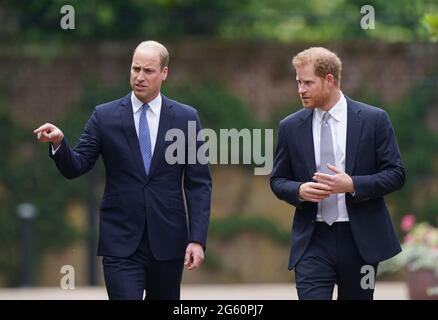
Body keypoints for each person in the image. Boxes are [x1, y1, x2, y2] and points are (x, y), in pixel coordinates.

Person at [33, 41, 212, 300]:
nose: (139, 77)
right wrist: (59, 143)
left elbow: (198, 183)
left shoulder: (186, 118)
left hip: (168, 240)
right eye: (135, 68)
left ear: (164, 73)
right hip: (120, 242)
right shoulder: (104, 116)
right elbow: (77, 165)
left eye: (148, 71)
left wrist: (197, 239)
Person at [270, 47, 405, 300]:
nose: (300, 89)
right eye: (298, 82)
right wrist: (299, 190)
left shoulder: (374, 119)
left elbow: (396, 174)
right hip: (313, 240)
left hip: (360, 241)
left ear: (329, 79)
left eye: (308, 82)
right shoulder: (290, 127)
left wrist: (352, 184)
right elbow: (278, 180)